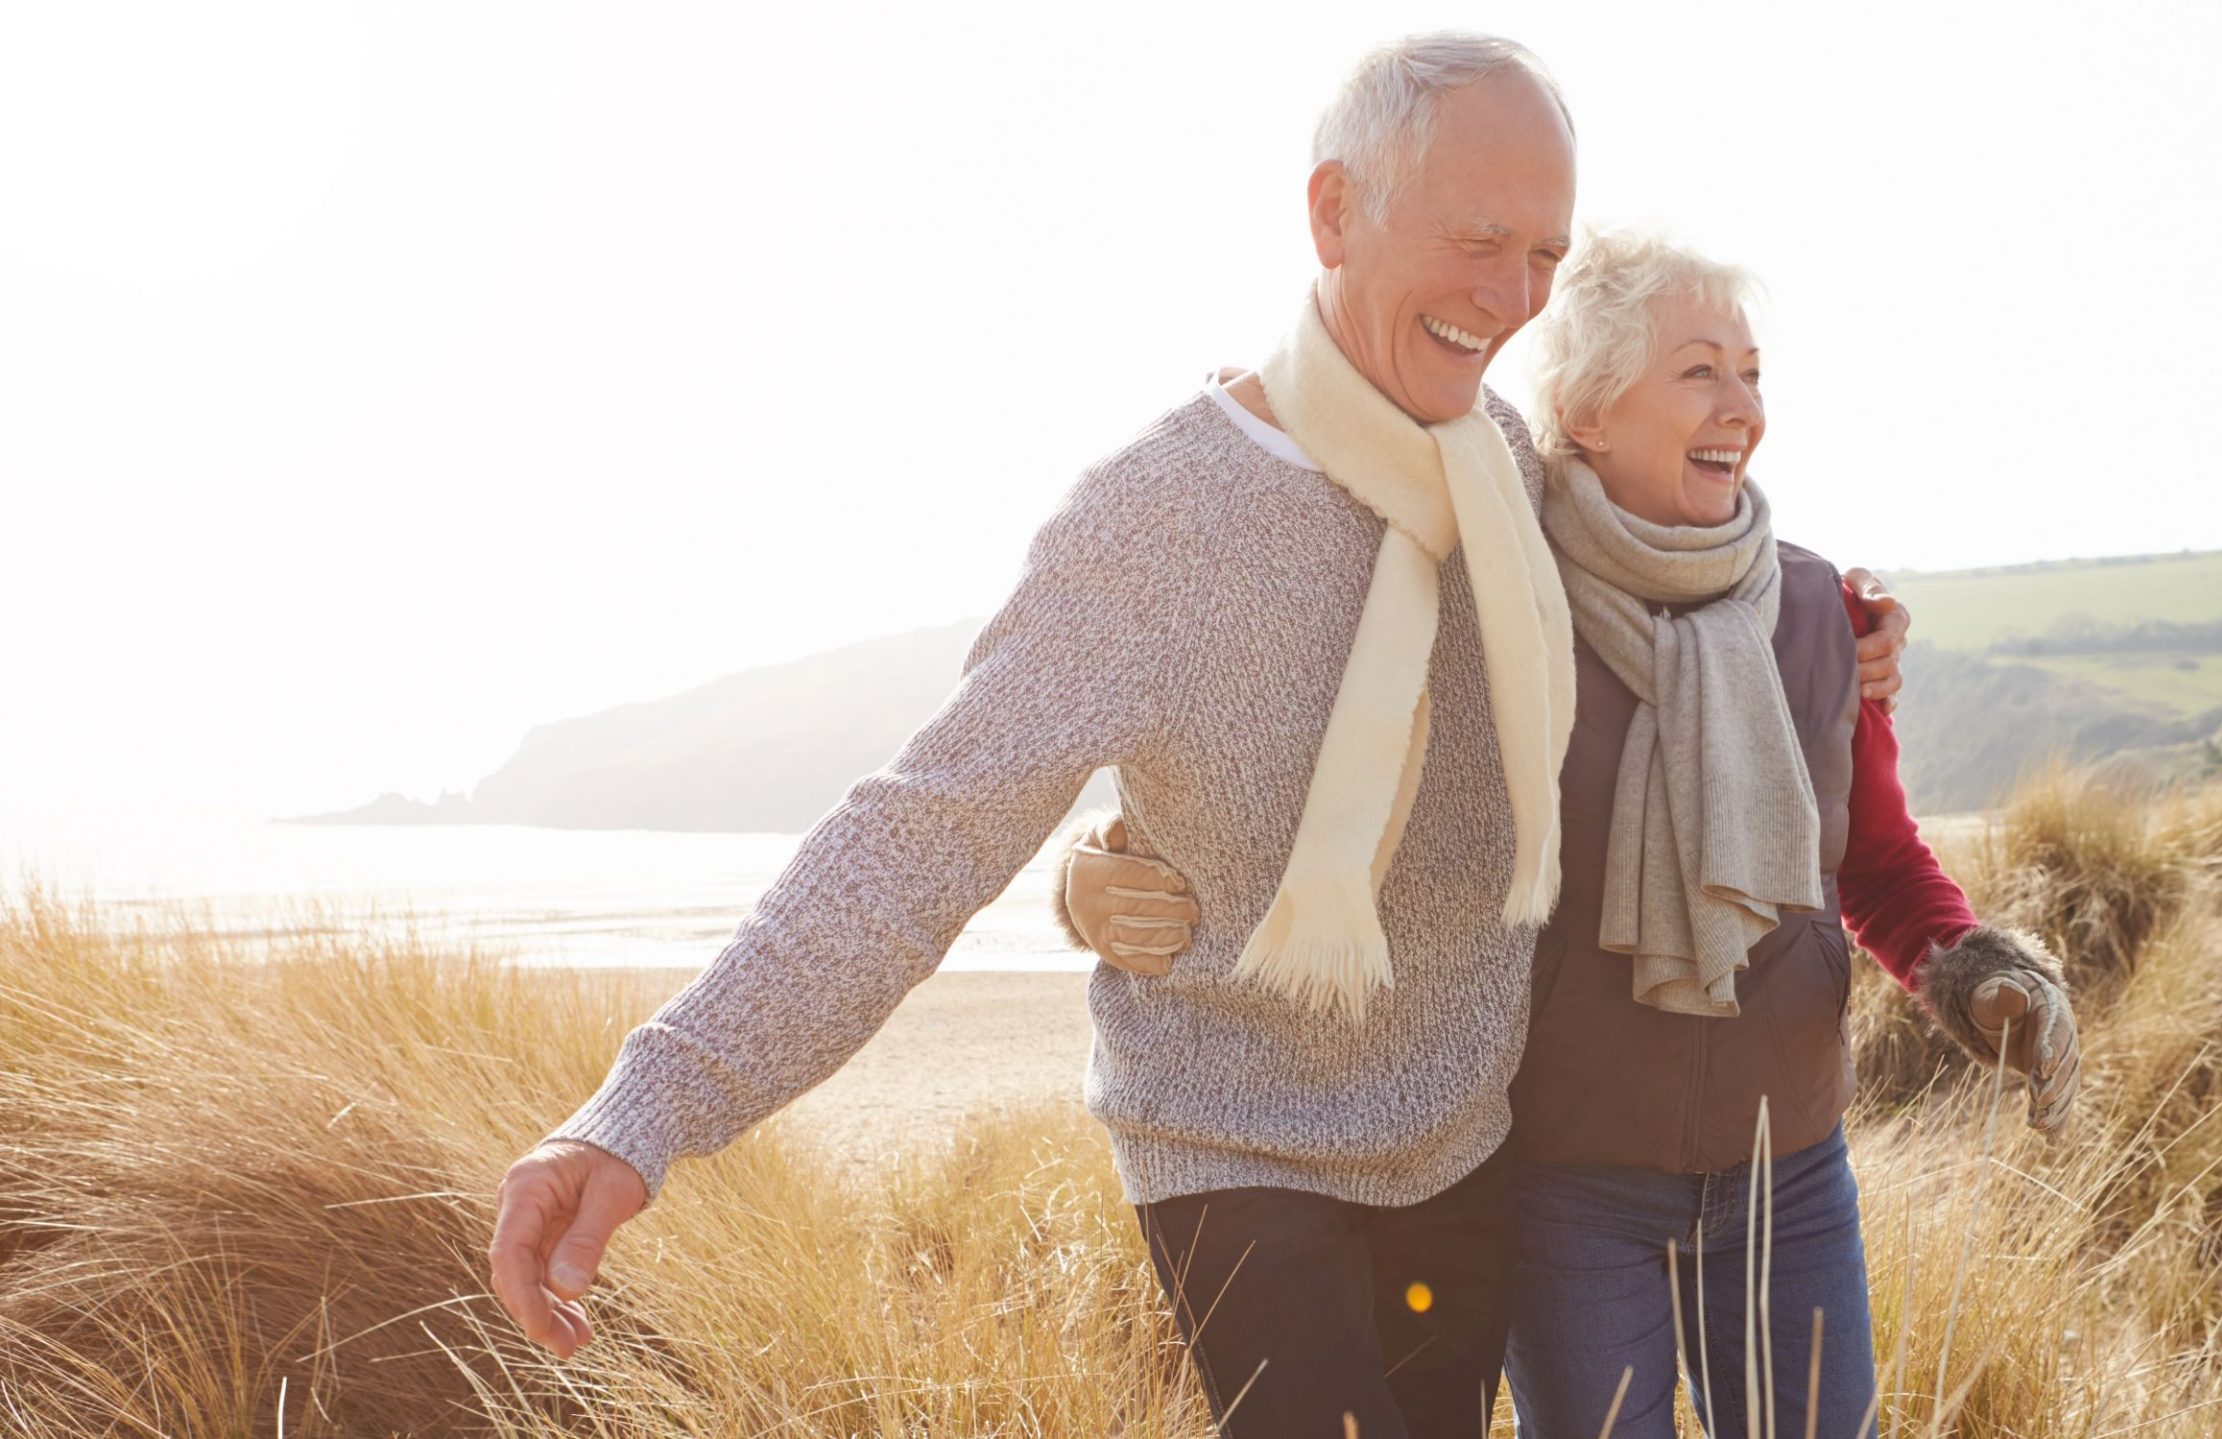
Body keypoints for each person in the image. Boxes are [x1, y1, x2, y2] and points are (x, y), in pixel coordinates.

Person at [488, 34, 1910, 1439]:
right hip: (1233, 1141)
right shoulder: (1161, 518)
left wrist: (1846, 628)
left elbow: (1684, 572)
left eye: (1544, 252)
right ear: (1334, 210)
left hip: (1465, 1140)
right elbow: (930, 820)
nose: (1514, 297)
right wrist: (645, 1103)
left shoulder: (1517, 485)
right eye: (1481, 238)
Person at [1058, 230, 2076, 1438]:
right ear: (1586, 414)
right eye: (1700, 371)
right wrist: (1090, 873)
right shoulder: (1489, 598)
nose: (1741, 406)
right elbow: (1306, 778)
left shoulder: (1817, 612)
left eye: (1752, 372)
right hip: (1567, 1185)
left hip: (1788, 1174)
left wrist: (1970, 970)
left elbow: (1874, 865)